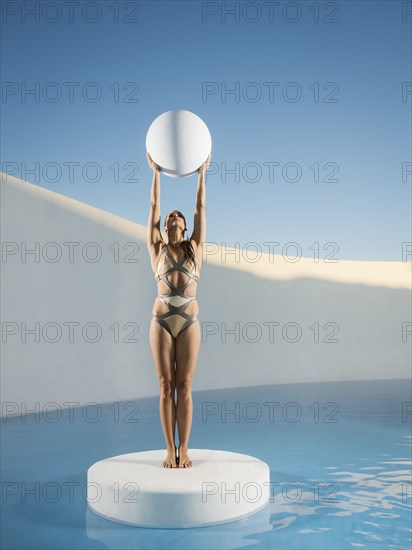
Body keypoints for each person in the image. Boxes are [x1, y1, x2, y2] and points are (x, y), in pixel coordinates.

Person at [146, 151, 211, 468]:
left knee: (184, 385)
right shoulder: (156, 246)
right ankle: (168, 448)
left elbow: (201, 209)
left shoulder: (195, 247)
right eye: (170, 216)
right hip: (160, 320)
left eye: (177, 216)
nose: (172, 216)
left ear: (184, 227)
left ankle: (184, 448)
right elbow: (153, 208)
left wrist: (201, 174)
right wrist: (155, 172)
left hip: (188, 321)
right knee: (164, 386)